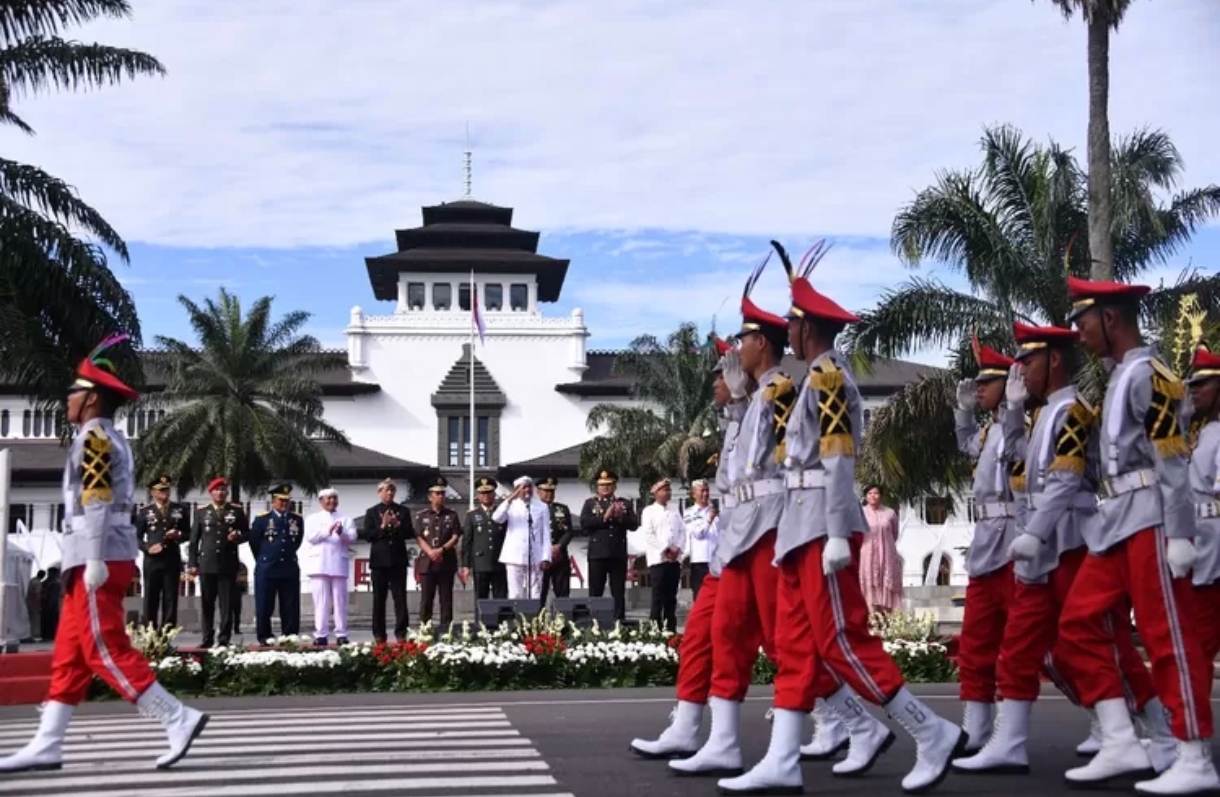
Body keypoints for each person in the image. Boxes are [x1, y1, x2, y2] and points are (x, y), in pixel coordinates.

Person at [723, 242, 960, 795]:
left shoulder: (829, 378)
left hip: (818, 527)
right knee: (799, 645)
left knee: (842, 641)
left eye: (791, 322)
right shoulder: (813, 379)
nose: (787, 330)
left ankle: (930, 732)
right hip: (798, 528)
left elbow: (837, 458)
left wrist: (835, 531)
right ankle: (782, 758)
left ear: (807, 330)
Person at [953, 321, 1166, 776]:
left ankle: (1160, 732)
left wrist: (1035, 532)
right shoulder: (1040, 413)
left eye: (1027, 361)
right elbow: (1017, 463)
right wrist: (1010, 413)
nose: (1020, 371)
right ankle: (1009, 741)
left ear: (1052, 361)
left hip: (1070, 539)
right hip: (1037, 540)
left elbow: (1066, 481)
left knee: (1106, 644)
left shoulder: (1074, 411)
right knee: (1019, 644)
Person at [0, 335, 207, 773]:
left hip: (98, 555)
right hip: (95, 553)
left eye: (73, 392)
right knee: (70, 655)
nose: (67, 400)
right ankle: (48, 742)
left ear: (91, 398)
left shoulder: (93, 438)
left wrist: (92, 556)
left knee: (101, 645)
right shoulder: (106, 435)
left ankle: (176, 716)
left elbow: (95, 498)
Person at [1056, 277, 1218, 794]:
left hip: (1151, 520)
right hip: (1118, 523)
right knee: (1076, 624)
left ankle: (1194, 757)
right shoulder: (1123, 375)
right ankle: (1123, 738)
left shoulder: (1152, 375)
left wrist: (1180, 533)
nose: (1079, 334)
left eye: (1084, 322)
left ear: (1110, 318)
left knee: (1167, 638)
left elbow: (1171, 459)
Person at [671, 256, 798, 780]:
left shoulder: (784, 394)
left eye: (740, 345)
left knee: (786, 639)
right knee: (725, 634)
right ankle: (720, 739)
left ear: (761, 344)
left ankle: (850, 722)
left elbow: (798, 463)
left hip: (772, 528)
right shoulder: (753, 404)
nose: (730, 362)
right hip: (743, 533)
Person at [630, 336, 745, 760]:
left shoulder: (762, 410)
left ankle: (849, 718)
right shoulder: (733, 424)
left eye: (722, 374)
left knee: (790, 640)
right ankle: (689, 727)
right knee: (698, 636)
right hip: (728, 551)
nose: (715, 382)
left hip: (759, 544)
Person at [947, 338, 1020, 752]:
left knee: (1027, 645)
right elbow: (966, 444)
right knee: (975, 641)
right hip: (986, 542)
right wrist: (963, 412)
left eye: (985, 383)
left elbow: (1015, 450)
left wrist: (1012, 409)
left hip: (1013, 538)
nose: (978, 390)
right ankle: (976, 727)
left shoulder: (1018, 423)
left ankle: (1106, 721)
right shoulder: (989, 428)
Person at [1186, 342, 1220, 680]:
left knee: (1198, 644)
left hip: (1214, 552)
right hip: (1202, 548)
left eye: (1201, 385)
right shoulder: (1200, 432)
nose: (1193, 392)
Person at [187, 477, 248, 648]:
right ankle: (207, 638)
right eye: (217, 490)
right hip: (207, 563)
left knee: (226, 604)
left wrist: (237, 538)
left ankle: (224, 639)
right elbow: (194, 540)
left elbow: (247, 533)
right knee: (207, 603)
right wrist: (193, 563)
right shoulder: (201, 512)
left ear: (227, 492)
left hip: (227, 563)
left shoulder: (236, 511)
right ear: (211, 492)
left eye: (223, 490)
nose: (220, 493)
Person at [579, 470, 639, 622]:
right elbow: (585, 524)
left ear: (614, 485)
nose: (605, 488)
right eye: (602, 485)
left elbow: (634, 524)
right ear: (597, 487)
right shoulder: (590, 503)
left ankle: (619, 621)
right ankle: (594, 622)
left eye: (609, 485)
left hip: (617, 553)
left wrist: (619, 518)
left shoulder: (623, 503)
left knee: (618, 590)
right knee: (595, 590)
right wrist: (605, 518)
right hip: (598, 554)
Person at [248, 483, 304, 645]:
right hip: (267, 567)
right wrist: (264, 558)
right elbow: (254, 543)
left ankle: (290, 635)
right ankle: (265, 636)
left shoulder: (297, 519)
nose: (284, 504)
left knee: (290, 604)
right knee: (265, 604)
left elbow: (297, 541)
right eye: (280, 500)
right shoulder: (262, 519)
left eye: (287, 501)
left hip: (289, 566)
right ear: (273, 501)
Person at [303, 488, 358, 645]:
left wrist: (341, 533)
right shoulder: (313, 518)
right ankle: (321, 634)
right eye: (328, 499)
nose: (332, 501)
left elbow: (352, 537)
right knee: (321, 601)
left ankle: (341, 633)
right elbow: (310, 537)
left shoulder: (345, 518)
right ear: (321, 501)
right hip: (319, 564)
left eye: (334, 498)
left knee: (340, 601)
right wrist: (328, 530)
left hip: (338, 563)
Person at [363, 478, 412, 643]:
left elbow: (409, 533)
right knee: (379, 599)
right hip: (379, 562)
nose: (389, 493)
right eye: (386, 490)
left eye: (392, 490)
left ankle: (401, 632)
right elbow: (368, 536)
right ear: (379, 493)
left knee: (400, 599)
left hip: (398, 560)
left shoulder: (403, 511)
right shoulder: (371, 512)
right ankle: (379, 634)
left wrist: (397, 524)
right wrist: (382, 526)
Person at [136, 476, 188, 629]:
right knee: (151, 596)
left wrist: (178, 535)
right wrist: (147, 547)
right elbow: (135, 537)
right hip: (152, 560)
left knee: (170, 597)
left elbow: (188, 533)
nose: (165, 493)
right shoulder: (146, 512)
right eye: (161, 490)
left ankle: (167, 633)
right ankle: (149, 632)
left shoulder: (179, 510)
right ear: (153, 492)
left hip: (171, 558)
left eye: (167, 489)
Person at [494, 476, 552, 600]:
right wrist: (511, 497)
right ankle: (517, 619)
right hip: (514, 555)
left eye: (529, 487)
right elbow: (497, 518)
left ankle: (534, 619)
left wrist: (546, 557)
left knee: (535, 593)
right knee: (515, 594)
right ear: (516, 490)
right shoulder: (510, 505)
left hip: (535, 556)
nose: (527, 490)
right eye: (523, 487)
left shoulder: (541, 507)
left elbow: (546, 533)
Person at [414, 477, 461, 627]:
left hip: (446, 561)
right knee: (426, 599)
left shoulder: (452, 515)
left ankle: (447, 630)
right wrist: (430, 552)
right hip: (427, 563)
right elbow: (419, 536)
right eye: (437, 493)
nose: (440, 496)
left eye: (442, 493)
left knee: (446, 599)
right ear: (430, 496)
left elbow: (456, 535)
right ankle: (425, 629)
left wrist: (441, 550)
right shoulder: (422, 515)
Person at [640, 478, 685, 633]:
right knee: (658, 596)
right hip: (658, 560)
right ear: (656, 493)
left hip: (674, 560)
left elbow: (682, 531)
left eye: (669, 490)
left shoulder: (674, 511)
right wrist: (665, 549)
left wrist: (677, 548)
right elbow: (649, 534)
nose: (668, 493)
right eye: (665, 490)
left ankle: (670, 630)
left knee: (671, 597)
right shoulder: (648, 511)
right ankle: (655, 629)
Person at [461, 477, 508, 600]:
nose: (486, 496)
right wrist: (466, 566)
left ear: (494, 494)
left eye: (489, 492)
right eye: (483, 493)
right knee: (481, 599)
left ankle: (501, 620)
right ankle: (480, 620)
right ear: (478, 496)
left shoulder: (502, 513)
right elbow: (467, 542)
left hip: (500, 562)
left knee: (501, 598)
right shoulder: (472, 515)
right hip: (481, 563)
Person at [858, 484, 902, 614]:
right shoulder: (860, 513)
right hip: (867, 554)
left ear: (881, 496)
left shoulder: (890, 513)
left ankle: (887, 621)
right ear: (866, 496)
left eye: (876, 493)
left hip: (887, 555)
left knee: (886, 584)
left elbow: (895, 533)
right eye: (870, 493)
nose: (873, 496)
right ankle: (871, 619)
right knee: (869, 582)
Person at [682, 479, 719, 603]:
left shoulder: (715, 511)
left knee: (717, 598)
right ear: (694, 494)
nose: (705, 494)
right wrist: (709, 520)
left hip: (716, 561)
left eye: (707, 490)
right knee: (700, 597)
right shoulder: (689, 513)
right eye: (702, 491)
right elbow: (698, 533)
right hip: (700, 562)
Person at [538, 477, 574, 604]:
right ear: (538, 492)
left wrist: (559, 546)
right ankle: (539, 621)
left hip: (559, 556)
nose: (549, 494)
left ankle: (562, 621)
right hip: (540, 557)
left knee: (562, 592)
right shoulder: (533, 509)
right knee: (539, 592)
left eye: (551, 491)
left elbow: (569, 531)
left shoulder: (562, 509)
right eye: (545, 491)